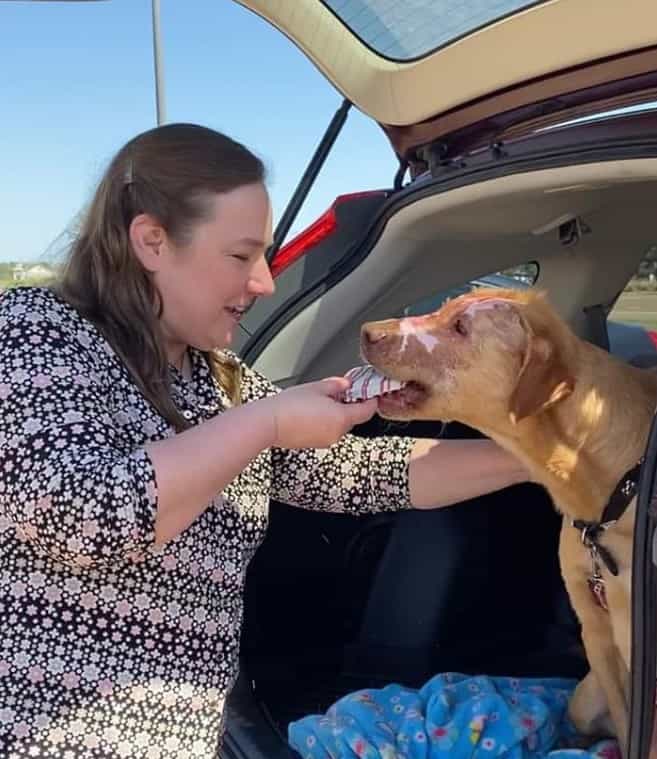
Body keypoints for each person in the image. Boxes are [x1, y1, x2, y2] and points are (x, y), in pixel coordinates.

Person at [0, 123, 528, 758]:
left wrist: (540, 457)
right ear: (151, 241)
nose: (264, 283)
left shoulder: (215, 378)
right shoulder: (37, 331)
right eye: (240, 255)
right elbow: (81, 514)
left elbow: (363, 474)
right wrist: (265, 422)